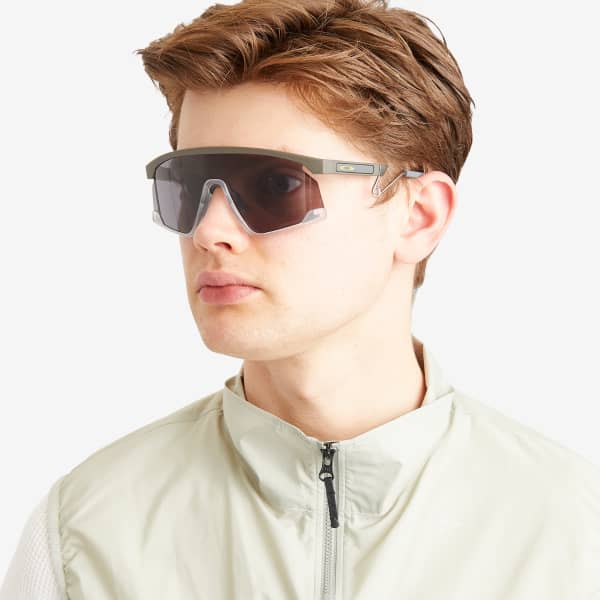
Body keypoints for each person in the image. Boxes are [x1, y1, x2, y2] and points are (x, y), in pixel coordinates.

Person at [2, 0, 599, 598]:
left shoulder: (572, 535)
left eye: (275, 184)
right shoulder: (86, 534)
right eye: (188, 186)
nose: (209, 231)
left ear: (418, 215)